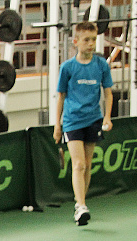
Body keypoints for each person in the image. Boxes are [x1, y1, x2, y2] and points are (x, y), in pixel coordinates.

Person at [54, 21, 113, 226]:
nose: (91, 44)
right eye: (86, 40)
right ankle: (80, 206)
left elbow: (108, 93)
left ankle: (81, 203)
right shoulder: (67, 67)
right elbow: (61, 97)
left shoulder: (101, 65)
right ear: (76, 41)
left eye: (93, 40)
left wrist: (107, 117)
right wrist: (57, 125)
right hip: (72, 121)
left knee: (87, 165)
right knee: (78, 164)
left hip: (93, 119)